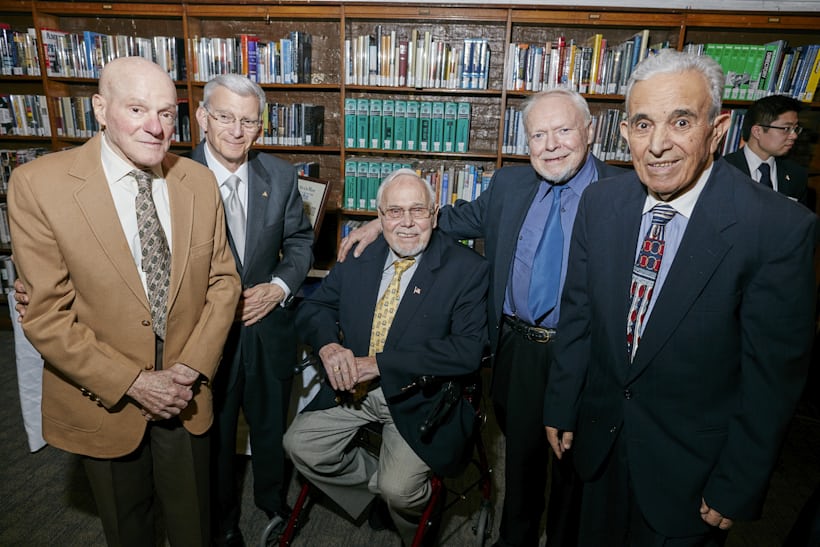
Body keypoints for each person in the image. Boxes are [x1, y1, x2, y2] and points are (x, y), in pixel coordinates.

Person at [543, 49, 817, 546]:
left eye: (682, 122)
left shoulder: (778, 228)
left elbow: (772, 379)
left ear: (718, 129)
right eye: (643, 124)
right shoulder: (600, 203)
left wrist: (739, 480)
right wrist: (561, 405)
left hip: (690, 474)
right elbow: (578, 315)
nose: (658, 145)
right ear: (624, 132)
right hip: (598, 445)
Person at [339, 88, 625, 547]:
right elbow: (445, 219)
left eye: (563, 130)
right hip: (518, 349)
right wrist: (381, 223)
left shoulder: (623, 193)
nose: (551, 145)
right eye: (539, 135)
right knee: (522, 460)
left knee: (574, 467)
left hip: (588, 354)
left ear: (590, 131)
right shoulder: (510, 185)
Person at [7, 56, 241, 546]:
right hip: (103, 393)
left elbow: (224, 282)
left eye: (166, 113)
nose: (155, 127)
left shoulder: (198, 182)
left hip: (186, 390)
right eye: (137, 109)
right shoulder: (38, 185)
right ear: (99, 108)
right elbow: (45, 314)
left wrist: (192, 367)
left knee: (194, 527)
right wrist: (133, 382)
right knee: (127, 527)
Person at [283, 169, 489, 546]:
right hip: (354, 390)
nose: (406, 223)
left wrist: (377, 364)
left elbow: (467, 351)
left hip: (420, 397)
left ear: (435, 215)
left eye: (418, 210)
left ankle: (408, 521)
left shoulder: (467, 269)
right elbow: (315, 307)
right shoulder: (360, 254)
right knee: (300, 446)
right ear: (379, 217)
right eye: (394, 211)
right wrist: (328, 346)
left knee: (401, 491)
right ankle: (373, 491)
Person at [191, 74, 314, 546]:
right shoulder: (173, 176)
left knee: (270, 426)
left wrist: (279, 287)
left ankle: (273, 502)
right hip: (206, 335)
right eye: (224, 117)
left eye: (248, 121)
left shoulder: (280, 176)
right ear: (202, 117)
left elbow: (300, 241)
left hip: (267, 327)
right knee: (216, 435)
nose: (236, 131)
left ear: (260, 127)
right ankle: (223, 523)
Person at [723, 94, 812, 209]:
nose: (794, 135)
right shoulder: (722, 170)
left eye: (795, 129)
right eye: (786, 129)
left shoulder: (797, 175)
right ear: (757, 132)